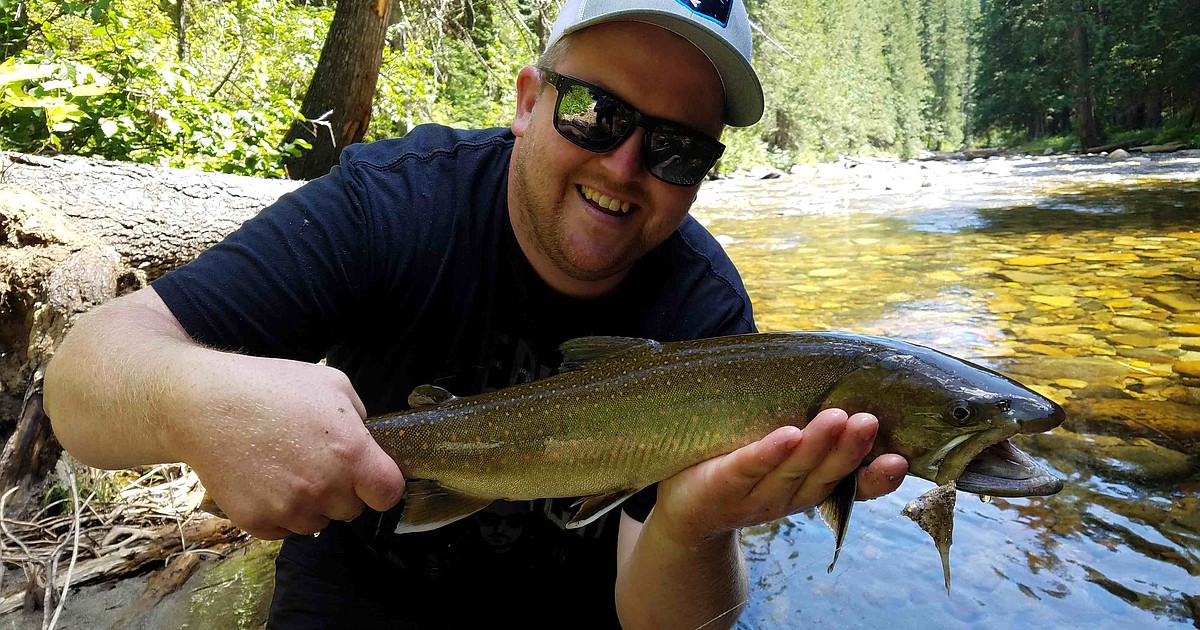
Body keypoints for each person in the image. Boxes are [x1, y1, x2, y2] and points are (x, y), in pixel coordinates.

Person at [43, 0, 909, 627]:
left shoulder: (704, 305)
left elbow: (665, 622)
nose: (626, 167)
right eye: (598, 114)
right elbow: (83, 385)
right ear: (529, 99)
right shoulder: (392, 205)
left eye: (679, 149)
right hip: (354, 606)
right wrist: (194, 398)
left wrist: (691, 521)